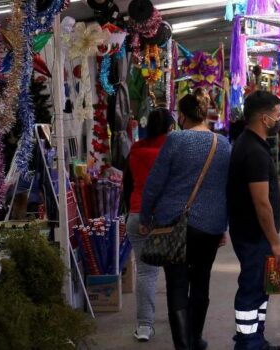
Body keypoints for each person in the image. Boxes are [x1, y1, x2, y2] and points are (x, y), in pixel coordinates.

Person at [140, 94, 231, 350]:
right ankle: (195, 338)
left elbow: (155, 182)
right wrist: (223, 226)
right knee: (201, 281)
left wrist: (146, 217)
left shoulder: (175, 140)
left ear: (182, 115)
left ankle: (184, 345)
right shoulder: (223, 144)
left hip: (173, 223)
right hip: (210, 227)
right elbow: (227, 188)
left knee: (177, 283)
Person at [228, 91, 280, 350]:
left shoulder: (250, 143)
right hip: (254, 235)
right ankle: (247, 342)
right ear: (265, 118)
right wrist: (275, 242)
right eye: (278, 113)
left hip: (251, 233)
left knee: (261, 288)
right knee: (252, 289)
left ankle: (256, 339)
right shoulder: (254, 151)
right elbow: (261, 202)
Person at [126, 108, 175, 342]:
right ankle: (179, 320)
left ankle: (145, 325)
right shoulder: (172, 148)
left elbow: (128, 183)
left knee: (145, 272)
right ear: (170, 127)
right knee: (175, 271)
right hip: (165, 218)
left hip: (136, 214)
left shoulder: (136, 149)